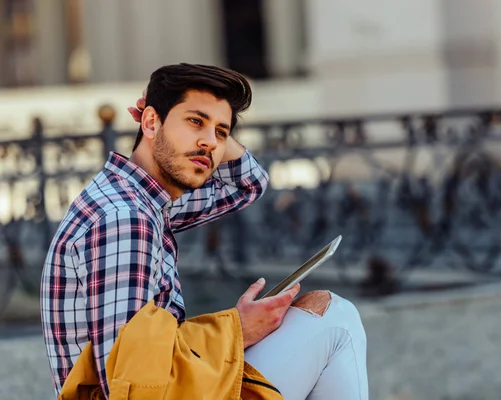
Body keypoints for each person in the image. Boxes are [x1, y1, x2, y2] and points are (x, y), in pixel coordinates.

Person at [41, 63, 368, 399]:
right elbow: (131, 386)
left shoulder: (142, 200)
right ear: (151, 121)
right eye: (195, 121)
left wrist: (203, 131)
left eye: (221, 132)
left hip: (176, 383)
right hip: (161, 391)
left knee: (323, 306)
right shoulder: (126, 220)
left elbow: (248, 184)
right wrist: (237, 329)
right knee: (337, 322)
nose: (211, 142)